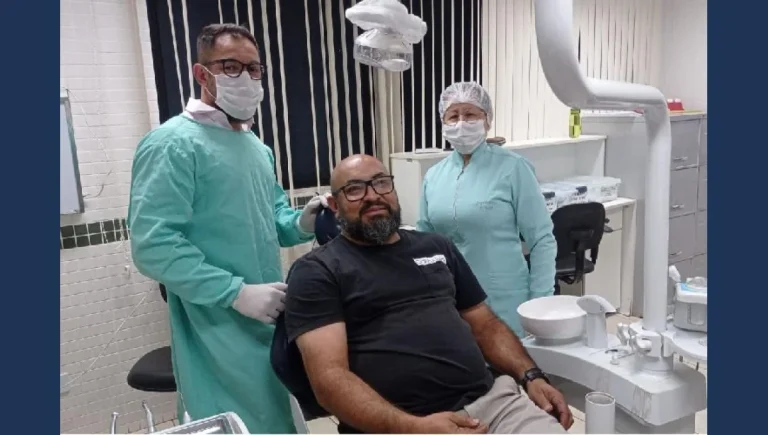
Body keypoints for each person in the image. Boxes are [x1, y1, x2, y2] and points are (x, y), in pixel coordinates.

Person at [284, 154, 573, 434]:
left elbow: (485, 325)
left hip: (494, 405)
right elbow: (330, 378)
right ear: (335, 205)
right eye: (355, 189)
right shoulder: (317, 271)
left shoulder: (436, 247)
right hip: (397, 425)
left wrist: (530, 375)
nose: (373, 196)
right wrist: (414, 428)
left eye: (381, 183)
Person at [128, 24, 326, 433]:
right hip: (216, 327)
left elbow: (273, 219)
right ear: (202, 74)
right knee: (233, 420)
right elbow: (153, 245)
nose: (247, 78)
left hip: (269, 318)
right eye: (231, 67)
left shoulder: (256, 147)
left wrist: (302, 221)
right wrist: (234, 292)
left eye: (254, 69)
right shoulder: (172, 143)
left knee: (277, 416)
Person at [417, 82, 557, 336]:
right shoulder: (434, 176)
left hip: (505, 300)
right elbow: (425, 241)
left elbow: (541, 239)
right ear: (443, 122)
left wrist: (540, 302)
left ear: (487, 120)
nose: (461, 123)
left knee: (509, 360)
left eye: (470, 114)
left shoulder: (513, 168)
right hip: (452, 300)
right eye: (453, 116)